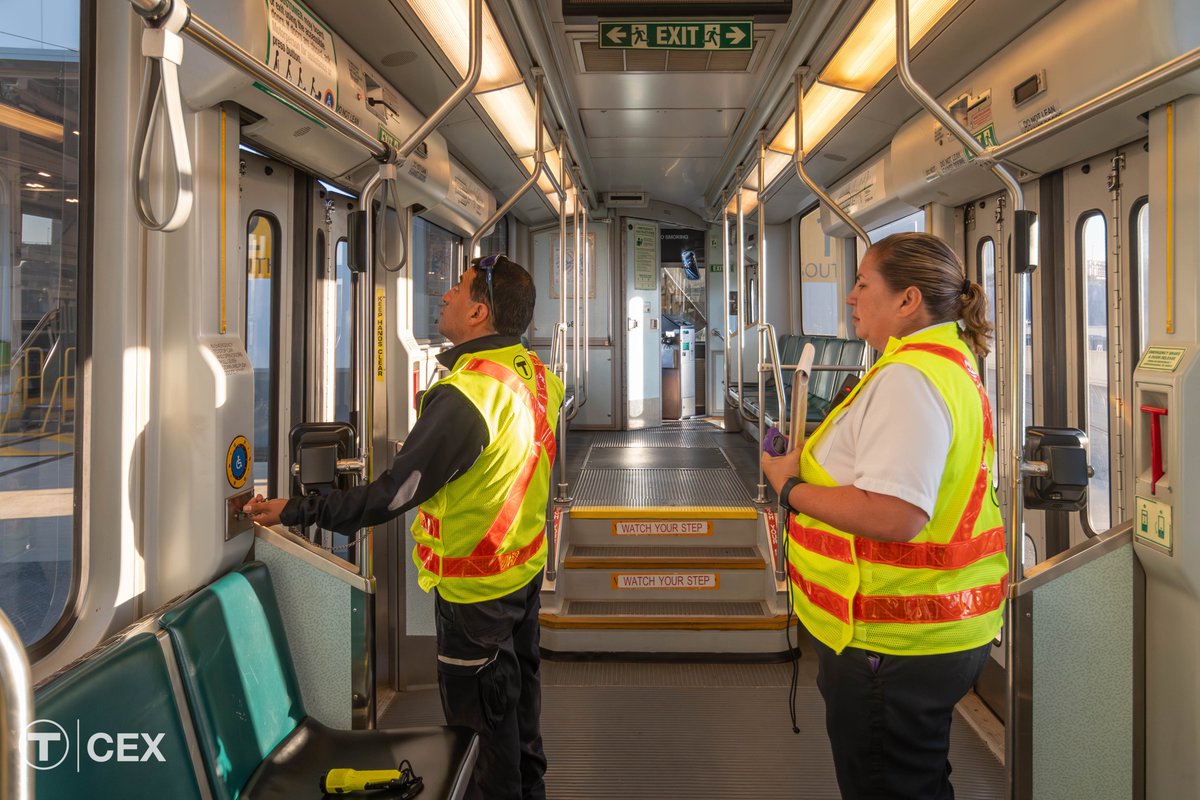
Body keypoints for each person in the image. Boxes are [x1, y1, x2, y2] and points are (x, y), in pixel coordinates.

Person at [244, 254, 564, 800]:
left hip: (474, 600)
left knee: (482, 739)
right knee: (517, 714)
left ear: (479, 312)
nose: (445, 296)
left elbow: (393, 493)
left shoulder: (467, 398)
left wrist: (296, 511)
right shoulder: (537, 377)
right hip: (521, 576)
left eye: (457, 291)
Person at [761, 232, 1008, 799]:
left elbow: (897, 513)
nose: (850, 297)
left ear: (907, 300)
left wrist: (792, 487)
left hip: (892, 639)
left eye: (863, 283)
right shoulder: (941, 364)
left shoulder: (908, 379)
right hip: (929, 632)